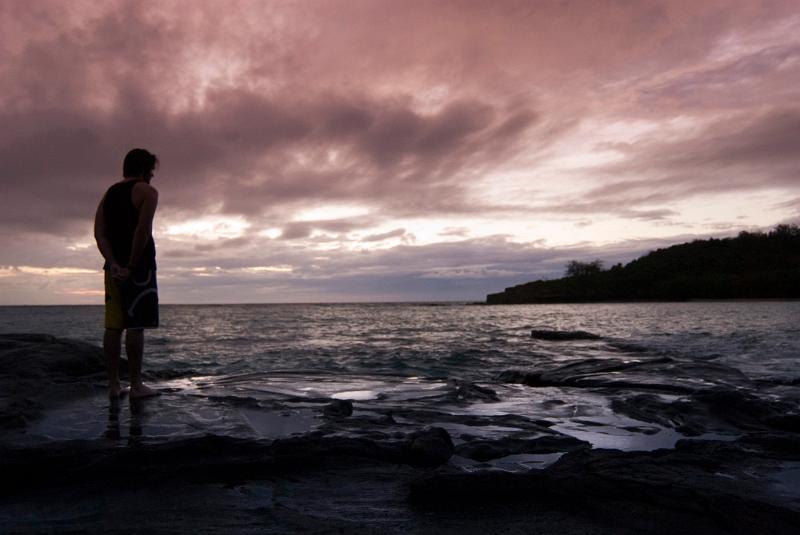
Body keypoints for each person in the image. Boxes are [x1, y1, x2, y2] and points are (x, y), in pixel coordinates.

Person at [94, 148, 160, 399]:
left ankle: (113, 386)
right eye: (151, 170)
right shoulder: (148, 192)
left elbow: (99, 233)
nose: (152, 175)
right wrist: (131, 266)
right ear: (144, 169)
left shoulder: (108, 194)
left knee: (113, 327)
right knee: (135, 326)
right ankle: (136, 386)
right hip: (139, 269)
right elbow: (142, 232)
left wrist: (113, 263)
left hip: (112, 270)